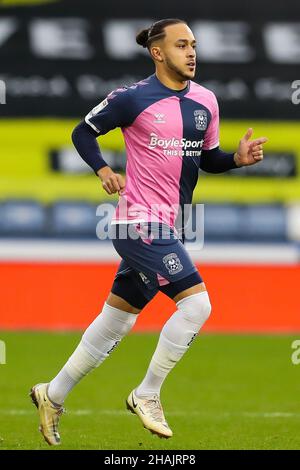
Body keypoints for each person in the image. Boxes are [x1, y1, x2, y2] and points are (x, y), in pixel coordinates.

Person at [30, 18, 267, 445]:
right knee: (197, 308)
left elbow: (207, 159)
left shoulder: (206, 102)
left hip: (170, 224)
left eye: (194, 44)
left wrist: (236, 159)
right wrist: (102, 168)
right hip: (136, 222)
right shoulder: (133, 99)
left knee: (117, 320)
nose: (192, 52)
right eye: (181, 45)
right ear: (158, 53)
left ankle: (52, 393)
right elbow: (83, 131)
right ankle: (147, 393)